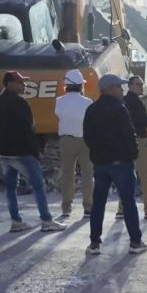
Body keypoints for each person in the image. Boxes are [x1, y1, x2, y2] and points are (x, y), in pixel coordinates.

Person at [0, 70, 65, 233]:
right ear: (11, 84)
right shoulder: (21, 103)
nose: (24, 85)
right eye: (20, 82)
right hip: (22, 153)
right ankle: (47, 220)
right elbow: (28, 130)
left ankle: (16, 221)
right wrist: (37, 151)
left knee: (11, 187)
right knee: (39, 185)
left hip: (4, 153)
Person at [84, 74, 147, 255]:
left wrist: (97, 155)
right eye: (119, 87)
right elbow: (129, 134)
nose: (122, 90)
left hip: (101, 164)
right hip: (121, 163)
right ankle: (135, 242)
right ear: (110, 88)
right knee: (128, 203)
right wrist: (132, 155)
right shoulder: (120, 108)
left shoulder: (92, 109)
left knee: (99, 204)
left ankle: (94, 243)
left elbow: (88, 136)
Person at [55, 68, 94, 221]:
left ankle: (66, 207)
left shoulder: (59, 101)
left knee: (67, 174)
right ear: (80, 85)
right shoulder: (87, 102)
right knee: (87, 174)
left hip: (66, 140)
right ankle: (88, 207)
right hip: (85, 140)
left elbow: (59, 115)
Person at [118, 75, 147, 220]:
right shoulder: (136, 102)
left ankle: (121, 210)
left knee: (127, 177)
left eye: (142, 84)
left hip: (125, 143)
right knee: (146, 177)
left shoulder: (122, 102)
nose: (141, 87)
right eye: (138, 84)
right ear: (130, 86)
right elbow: (146, 123)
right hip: (141, 142)